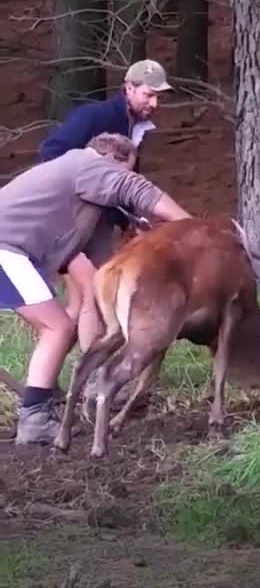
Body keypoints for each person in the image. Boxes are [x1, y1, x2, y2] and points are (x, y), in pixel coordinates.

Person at [0, 132, 191, 445]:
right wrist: (190, 225)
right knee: (57, 327)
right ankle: (34, 421)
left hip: (11, 251)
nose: (121, 182)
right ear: (110, 160)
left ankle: (40, 409)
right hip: (5, 248)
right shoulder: (83, 163)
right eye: (122, 173)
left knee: (63, 328)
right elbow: (137, 189)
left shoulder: (86, 206)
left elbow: (106, 264)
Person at [36, 59, 173, 353]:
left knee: (86, 300)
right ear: (128, 88)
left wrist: (129, 219)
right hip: (67, 221)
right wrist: (79, 189)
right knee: (93, 292)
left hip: (97, 224)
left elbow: (123, 183)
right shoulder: (93, 116)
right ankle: (92, 380)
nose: (155, 102)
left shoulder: (136, 127)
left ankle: (51, 379)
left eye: (158, 96)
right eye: (149, 94)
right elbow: (51, 153)